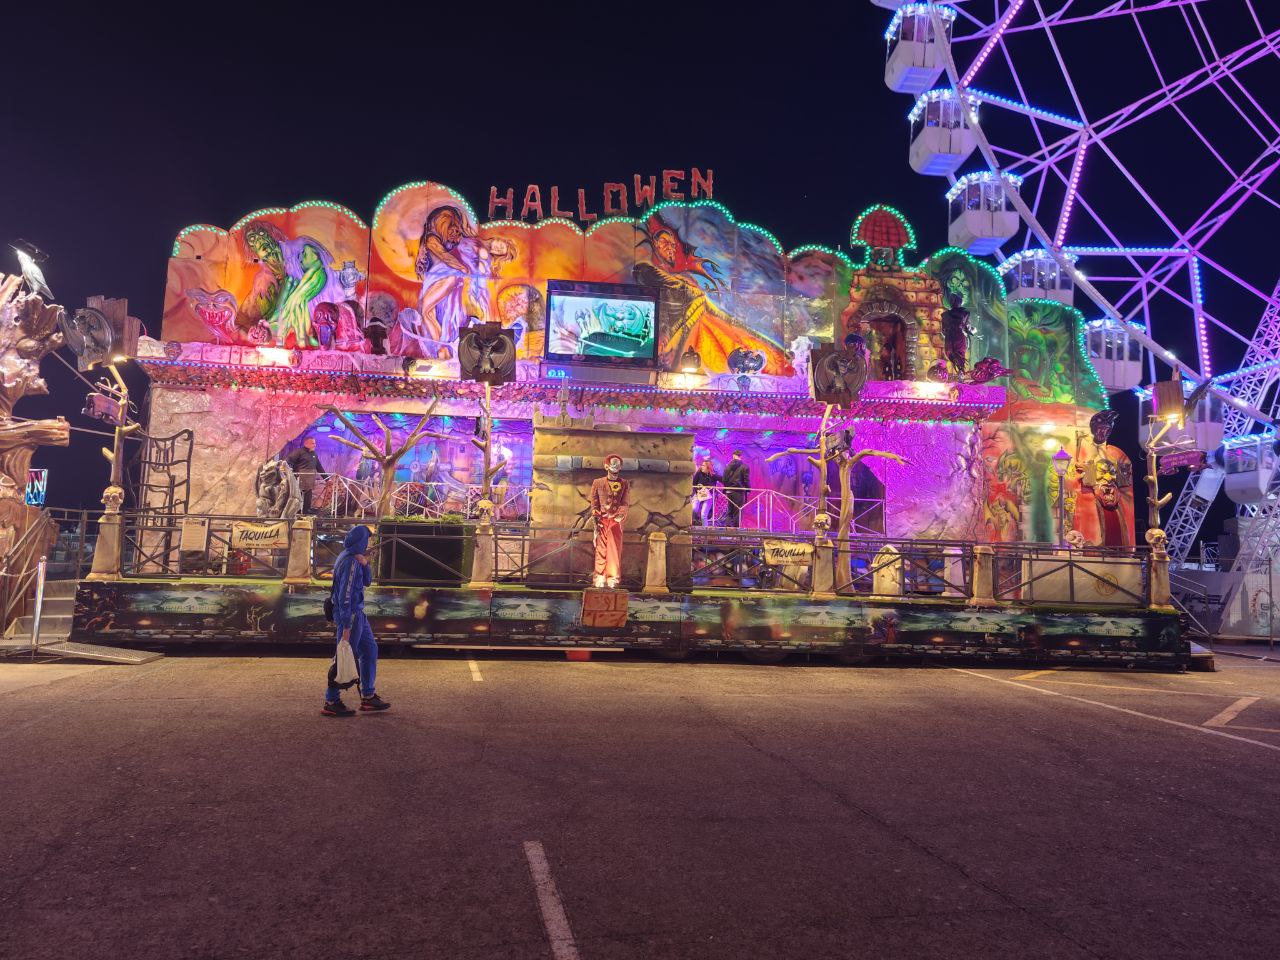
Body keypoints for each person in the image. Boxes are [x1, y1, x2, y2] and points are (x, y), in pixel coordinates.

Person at [323, 524, 390, 716]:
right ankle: (331, 700)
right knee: (343, 655)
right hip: (350, 615)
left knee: (369, 650)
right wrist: (346, 624)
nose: (369, 542)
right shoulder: (350, 561)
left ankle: (368, 696)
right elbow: (345, 595)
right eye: (367, 539)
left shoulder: (351, 557)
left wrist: (365, 564)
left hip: (357, 613)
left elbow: (366, 582)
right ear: (361, 541)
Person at [589, 455, 631, 589]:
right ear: (606, 466)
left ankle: (613, 580)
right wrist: (596, 519)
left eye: (618, 466)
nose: (616, 469)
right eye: (613, 466)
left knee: (614, 551)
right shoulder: (598, 482)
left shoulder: (624, 483)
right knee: (600, 551)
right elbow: (594, 503)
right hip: (601, 520)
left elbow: (625, 503)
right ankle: (599, 580)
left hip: (615, 522)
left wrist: (621, 514)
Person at [286, 437, 326, 515]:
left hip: (310, 478)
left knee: (308, 496)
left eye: (315, 443)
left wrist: (327, 479)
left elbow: (319, 467)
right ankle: (296, 512)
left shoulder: (314, 454)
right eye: (313, 443)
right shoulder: (299, 452)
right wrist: (290, 470)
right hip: (300, 478)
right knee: (298, 495)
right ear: (306, 443)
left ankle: (306, 512)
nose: (315, 445)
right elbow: (289, 460)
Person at [722, 450, 750, 528]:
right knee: (738, 510)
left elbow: (724, 479)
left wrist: (727, 486)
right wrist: (748, 490)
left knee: (730, 509)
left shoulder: (727, 466)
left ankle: (727, 528)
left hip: (729, 491)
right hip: (739, 491)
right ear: (741, 456)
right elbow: (746, 480)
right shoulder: (744, 466)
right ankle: (736, 529)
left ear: (733, 456)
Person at [692, 459, 722, 526]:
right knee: (693, 509)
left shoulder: (713, 475)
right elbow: (694, 483)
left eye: (703, 465)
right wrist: (698, 487)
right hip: (698, 494)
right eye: (702, 465)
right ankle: (693, 524)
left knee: (703, 514)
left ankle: (704, 530)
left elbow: (723, 480)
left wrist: (708, 487)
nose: (701, 466)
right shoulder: (699, 473)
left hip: (708, 496)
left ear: (708, 467)